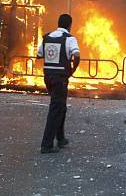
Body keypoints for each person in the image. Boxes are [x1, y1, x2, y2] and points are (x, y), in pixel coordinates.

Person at [37, 13, 80, 153]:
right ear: (70, 25)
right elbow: (77, 55)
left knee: (60, 106)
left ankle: (60, 138)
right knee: (56, 108)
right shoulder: (70, 39)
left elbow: (39, 55)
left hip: (48, 77)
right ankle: (46, 144)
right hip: (60, 78)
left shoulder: (46, 37)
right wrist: (72, 70)